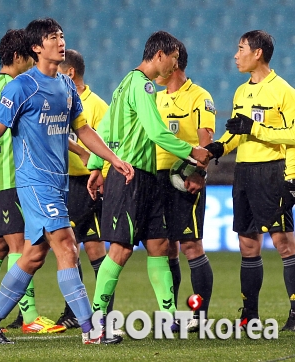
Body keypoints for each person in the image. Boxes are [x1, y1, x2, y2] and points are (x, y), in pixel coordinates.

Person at [0, 17, 135, 345]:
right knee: (68, 246)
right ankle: (90, 329)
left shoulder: (67, 86)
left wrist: (112, 159)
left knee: (33, 256)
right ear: (37, 47)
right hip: (33, 182)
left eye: (62, 36)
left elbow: (83, 130)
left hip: (59, 183)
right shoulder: (21, 87)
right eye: (53, 37)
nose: (60, 41)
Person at [87, 31, 210, 328]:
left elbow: (105, 127)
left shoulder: (125, 84)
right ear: (159, 55)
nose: (175, 65)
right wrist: (192, 152)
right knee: (121, 249)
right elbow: (156, 132)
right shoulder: (142, 86)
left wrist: (93, 164)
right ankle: (96, 320)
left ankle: (169, 318)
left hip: (146, 178)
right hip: (129, 178)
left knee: (158, 244)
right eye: (173, 59)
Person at [0, 29, 65, 334]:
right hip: (11, 177)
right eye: (31, 58)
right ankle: (30, 317)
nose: (34, 63)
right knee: (22, 246)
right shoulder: (16, 87)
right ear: (19, 57)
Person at [206, 30, 295, 332]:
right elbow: (236, 132)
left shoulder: (283, 91)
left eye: (240, 48)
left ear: (257, 53)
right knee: (247, 243)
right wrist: (221, 146)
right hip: (243, 173)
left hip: (272, 171)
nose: (235, 55)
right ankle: (250, 314)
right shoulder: (241, 92)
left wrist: (255, 130)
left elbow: (292, 135)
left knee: (283, 242)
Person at [154, 41, 215, 332]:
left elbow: (206, 141)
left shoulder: (199, 97)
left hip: (183, 181)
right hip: (156, 180)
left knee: (191, 245)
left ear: (174, 63)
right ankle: (173, 312)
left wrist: (197, 173)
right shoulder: (155, 97)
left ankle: (200, 315)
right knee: (167, 248)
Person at [54, 49, 110, 329]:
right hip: (64, 182)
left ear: (70, 73)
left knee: (89, 246)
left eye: (59, 70)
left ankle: (94, 311)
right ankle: (78, 311)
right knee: (74, 247)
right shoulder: (59, 100)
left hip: (88, 184)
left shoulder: (97, 106)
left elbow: (108, 143)